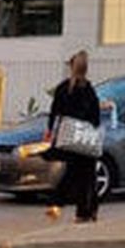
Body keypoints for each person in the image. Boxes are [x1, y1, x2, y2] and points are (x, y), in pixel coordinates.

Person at [46, 50, 103, 223]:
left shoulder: (63, 89)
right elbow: (95, 117)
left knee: (71, 173)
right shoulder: (89, 90)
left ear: (72, 67)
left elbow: (54, 113)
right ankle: (86, 211)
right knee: (88, 176)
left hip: (68, 137)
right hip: (85, 140)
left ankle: (58, 204)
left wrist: (51, 132)